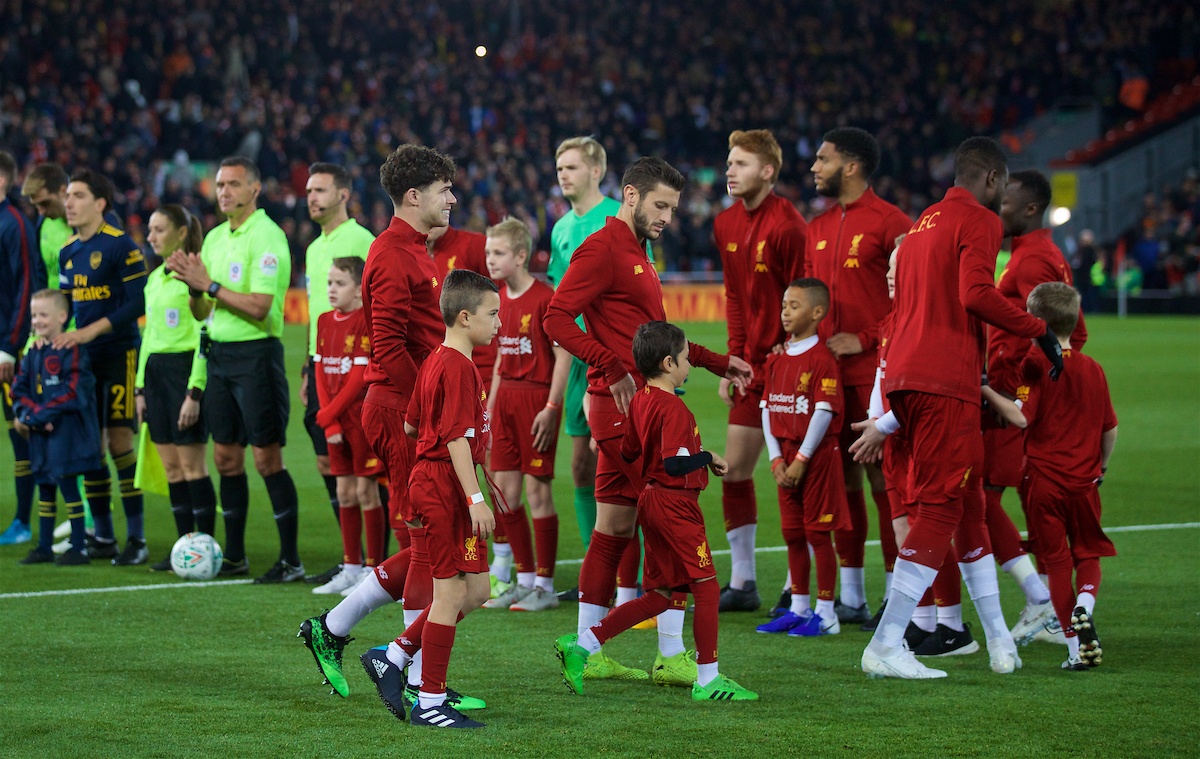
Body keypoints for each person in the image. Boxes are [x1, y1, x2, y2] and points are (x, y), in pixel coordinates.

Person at [544, 156, 752, 687]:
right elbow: (555, 318)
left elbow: (653, 333)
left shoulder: (639, 249)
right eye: (660, 205)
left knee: (612, 529)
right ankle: (670, 654)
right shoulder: (603, 246)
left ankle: (589, 649)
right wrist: (608, 364)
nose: (667, 216)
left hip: (631, 407)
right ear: (630, 195)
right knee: (671, 519)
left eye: (673, 208)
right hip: (625, 409)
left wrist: (710, 359)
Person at [861, 136, 1062, 680]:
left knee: (969, 503)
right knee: (942, 509)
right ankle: (886, 642)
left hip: (906, 370)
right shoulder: (978, 219)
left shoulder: (926, 219)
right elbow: (976, 293)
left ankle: (999, 640)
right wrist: (1037, 328)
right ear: (993, 180)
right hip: (943, 376)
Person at [297, 146, 471, 708]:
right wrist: (429, 407)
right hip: (401, 409)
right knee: (426, 541)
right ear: (414, 195)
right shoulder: (393, 255)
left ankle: (341, 631)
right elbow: (390, 344)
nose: (453, 198)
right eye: (445, 188)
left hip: (409, 405)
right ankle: (418, 680)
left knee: (428, 541)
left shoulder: (412, 249)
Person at [555, 321, 757, 702]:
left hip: (649, 502)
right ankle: (709, 679)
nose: (688, 364)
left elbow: (629, 452)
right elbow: (674, 465)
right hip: (675, 504)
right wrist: (708, 457)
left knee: (661, 594)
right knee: (708, 586)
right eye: (684, 358)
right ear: (668, 363)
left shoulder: (640, 400)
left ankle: (582, 646)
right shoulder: (673, 408)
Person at [359, 268, 500, 729]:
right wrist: (474, 495)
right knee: (450, 592)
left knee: (477, 590)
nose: (499, 322)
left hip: (438, 480)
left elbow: (411, 425)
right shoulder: (457, 366)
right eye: (492, 314)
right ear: (464, 317)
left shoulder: (436, 360)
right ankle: (431, 701)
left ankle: (394, 655)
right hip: (445, 486)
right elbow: (455, 439)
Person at [167, 156, 301, 583]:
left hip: (256, 356)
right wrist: (193, 285)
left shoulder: (268, 236)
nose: (223, 191)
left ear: (254, 189)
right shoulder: (216, 239)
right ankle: (236, 555)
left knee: (266, 458)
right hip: (220, 356)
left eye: (233, 184)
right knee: (225, 458)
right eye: (220, 184)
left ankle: (290, 559)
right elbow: (203, 309)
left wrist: (208, 285)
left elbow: (260, 308)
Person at [806, 127, 913, 628]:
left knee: (882, 478)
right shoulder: (818, 225)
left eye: (822, 159)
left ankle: (897, 593)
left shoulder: (892, 222)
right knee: (839, 478)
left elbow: (913, 297)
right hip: (827, 375)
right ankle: (851, 594)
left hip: (875, 373)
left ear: (850, 166)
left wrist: (866, 338)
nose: (814, 167)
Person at [992, 282, 1117, 671]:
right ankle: (1086, 604)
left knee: (1058, 564)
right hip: (1084, 482)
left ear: (1034, 321)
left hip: (1044, 480)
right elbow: (1109, 428)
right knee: (1089, 552)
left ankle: (1072, 649)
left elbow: (1020, 416)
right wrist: (1102, 467)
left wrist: (984, 390)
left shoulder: (1034, 362)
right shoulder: (1093, 367)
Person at [988, 170, 1088, 645]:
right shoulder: (1036, 253)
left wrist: (1017, 383)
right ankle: (1048, 601)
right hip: (1009, 392)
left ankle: (1041, 599)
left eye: (1004, 202)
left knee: (981, 500)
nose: (998, 208)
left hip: (1008, 396)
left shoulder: (1034, 261)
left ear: (1029, 208)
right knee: (1012, 500)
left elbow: (1066, 334)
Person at [712, 129, 808, 612]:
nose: (730, 171)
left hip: (788, 368)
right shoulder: (725, 223)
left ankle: (799, 585)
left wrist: (792, 360)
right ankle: (744, 582)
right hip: (750, 370)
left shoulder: (789, 226)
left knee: (791, 478)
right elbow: (732, 296)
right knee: (733, 473)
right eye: (730, 163)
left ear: (768, 171)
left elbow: (806, 302)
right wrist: (734, 362)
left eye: (741, 164)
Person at [56, 169, 148, 565]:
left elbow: (137, 303)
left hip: (119, 355)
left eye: (77, 195)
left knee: (119, 443)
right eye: (67, 196)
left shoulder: (120, 247)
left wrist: (90, 330)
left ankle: (138, 539)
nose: (69, 202)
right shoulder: (67, 251)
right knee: (90, 449)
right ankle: (104, 537)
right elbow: (64, 308)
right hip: (84, 361)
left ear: (100, 203)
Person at [482, 217, 570, 611]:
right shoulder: (497, 298)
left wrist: (552, 408)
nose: (490, 260)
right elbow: (502, 354)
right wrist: (489, 406)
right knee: (505, 494)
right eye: (488, 252)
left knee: (537, 491)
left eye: (498, 253)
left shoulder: (545, 297)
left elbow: (563, 354)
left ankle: (546, 587)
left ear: (521, 256)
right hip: (506, 402)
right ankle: (526, 577)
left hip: (536, 400)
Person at [753, 279, 850, 636]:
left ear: (817, 312)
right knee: (793, 533)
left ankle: (827, 613)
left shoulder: (822, 358)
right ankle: (798, 606)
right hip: (786, 456)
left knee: (818, 534)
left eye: (795, 305)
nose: (786, 312)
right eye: (784, 305)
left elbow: (823, 411)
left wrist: (801, 459)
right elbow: (767, 409)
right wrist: (777, 459)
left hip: (818, 457)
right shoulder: (776, 358)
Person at [300, 162, 375, 586]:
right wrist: (308, 368)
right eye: (309, 190)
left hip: (356, 372)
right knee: (330, 465)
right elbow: (319, 316)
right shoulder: (314, 247)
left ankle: (373, 562)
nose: (311, 197)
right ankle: (353, 560)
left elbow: (369, 308)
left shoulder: (360, 240)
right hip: (323, 365)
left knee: (367, 478)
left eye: (320, 190)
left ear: (343, 194)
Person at [546, 137, 613, 575]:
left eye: (571, 167)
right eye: (559, 168)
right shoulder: (561, 229)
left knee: (622, 471)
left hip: (613, 358)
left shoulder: (617, 219)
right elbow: (557, 296)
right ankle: (598, 574)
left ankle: (638, 575)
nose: (563, 174)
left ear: (595, 171)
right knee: (581, 468)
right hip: (575, 363)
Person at [138, 205, 217, 571]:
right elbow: (149, 338)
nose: (151, 236)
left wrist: (195, 390)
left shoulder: (197, 274)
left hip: (185, 372)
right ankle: (185, 549)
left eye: (158, 229)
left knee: (192, 467)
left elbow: (205, 332)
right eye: (149, 230)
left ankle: (208, 548)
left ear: (181, 233)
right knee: (171, 469)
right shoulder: (154, 278)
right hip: (155, 376)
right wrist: (139, 388)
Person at [310, 256, 385, 595]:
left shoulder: (364, 321)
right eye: (329, 283)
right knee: (343, 492)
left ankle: (374, 569)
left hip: (358, 418)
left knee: (366, 491)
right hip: (335, 420)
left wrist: (330, 415)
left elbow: (357, 378)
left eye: (339, 283)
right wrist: (327, 420)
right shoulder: (324, 321)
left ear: (358, 289)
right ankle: (350, 566)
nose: (331, 289)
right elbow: (320, 372)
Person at [10, 289, 101, 565]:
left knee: (68, 486)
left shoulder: (71, 350)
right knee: (45, 485)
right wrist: (31, 416)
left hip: (67, 433)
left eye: (43, 315)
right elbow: (18, 389)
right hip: (41, 432)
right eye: (34, 315)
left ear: (62, 316)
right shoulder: (33, 351)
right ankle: (45, 546)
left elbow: (74, 392)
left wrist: (38, 415)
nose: (36, 321)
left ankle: (78, 547)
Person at [0, 150, 44, 546]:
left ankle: (23, 521)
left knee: (20, 432)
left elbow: (26, 290)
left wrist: (10, 348)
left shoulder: (14, 225)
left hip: (4, 350)